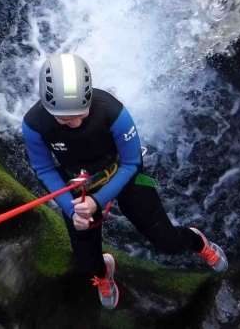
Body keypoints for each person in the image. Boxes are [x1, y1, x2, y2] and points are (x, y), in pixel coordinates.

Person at [22, 53, 228, 310]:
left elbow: (132, 163)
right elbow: (44, 169)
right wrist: (71, 208)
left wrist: (97, 201)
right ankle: (104, 271)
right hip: (78, 186)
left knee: (170, 244)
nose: (74, 123)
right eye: (64, 119)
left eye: (81, 114)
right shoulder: (35, 124)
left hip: (120, 172)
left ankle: (197, 241)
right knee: (87, 267)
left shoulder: (112, 111)